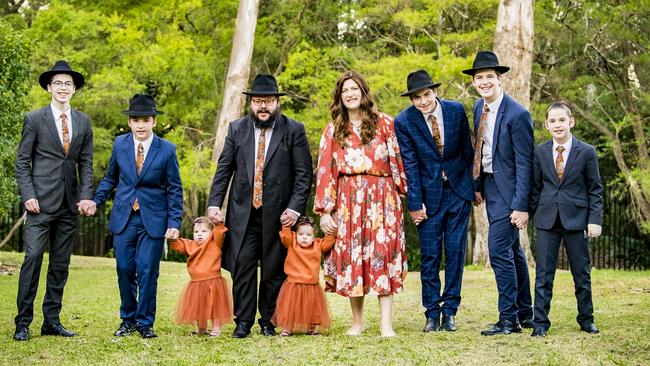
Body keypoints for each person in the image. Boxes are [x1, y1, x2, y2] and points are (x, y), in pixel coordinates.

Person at [207, 74, 312, 338]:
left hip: (279, 215)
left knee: (273, 269)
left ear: (277, 102)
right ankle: (243, 321)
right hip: (243, 213)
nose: (262, 106)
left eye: (268, 101)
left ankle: (268, 320)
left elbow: (303, 174)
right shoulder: (236, 129)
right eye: (257, 101)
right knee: (242, 266)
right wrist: (213, 204)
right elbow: (223, 170)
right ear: (250, 103)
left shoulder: (293, 129)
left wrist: (295, 209)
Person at [314, 70, 407, 337]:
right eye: (345, 91)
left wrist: (401, 196)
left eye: (355, 89)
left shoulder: (385, 123)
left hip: (382, 198)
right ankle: (357, 322)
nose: (350, 94)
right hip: (348, 199)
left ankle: (386, 324)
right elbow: (325, 170)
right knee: (354, 257)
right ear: (339, 97)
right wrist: (325, 210)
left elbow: (397, 160)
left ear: (363, 92)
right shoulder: (333, 130)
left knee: (383, 254)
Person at [90, 93, 183, 339]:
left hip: (152, 220)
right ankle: (127, 320)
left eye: (145, 120)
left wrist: (174, 222)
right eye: (136, 120)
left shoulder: (167, 150)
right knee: (123, 268)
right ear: (129, 122)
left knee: (147, 270)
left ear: (154, 121)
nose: (140, 125)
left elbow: (174, 188)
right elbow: (111, 178)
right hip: (124, 217)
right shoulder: (120, 144)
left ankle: (144, 324)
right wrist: (96, 200)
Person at [13, 60, 94, 341]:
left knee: (60, 264)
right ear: (49, 87)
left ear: (74, 90)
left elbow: (85, 163)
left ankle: (52, 321)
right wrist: (28, 195)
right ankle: (22, 323)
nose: (63, 88)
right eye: (58, 83)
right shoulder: (34, 119)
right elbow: (22, 162)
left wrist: (85, 196)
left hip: (69, 204)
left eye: (68, 84)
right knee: (33, 258)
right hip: (40, 204)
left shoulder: (83, 121)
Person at [394, 70, 474, 332]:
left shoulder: (456, 111)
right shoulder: (404, 121)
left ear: (435, 92)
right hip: (428, 198)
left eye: (426, 94)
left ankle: (450, 311)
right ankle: (431, 312)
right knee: (429, 257)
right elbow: (410, 163)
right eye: (417, 97)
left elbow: (467, 151)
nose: (423, 101)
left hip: (458, 192)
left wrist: (475, 188)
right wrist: (415, 203)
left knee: (454, 254)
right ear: (412, 100)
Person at [462, 51, 534, 335]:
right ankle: (525, 312)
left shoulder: (518, 114)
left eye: (489, 77)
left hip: (511, 191)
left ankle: (508, 320)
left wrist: (521, 205)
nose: (484, 82)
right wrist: (477, 186)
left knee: (498, 250)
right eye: (479, 78)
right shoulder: (479, 108)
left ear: (499, 78)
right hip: (490, 186)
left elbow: (525, 163)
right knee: (513, 250)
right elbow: (481, 150)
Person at [529, 101, 603, 337]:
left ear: (571, 122)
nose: (557, 125)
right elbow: (536, 188)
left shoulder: (587, 151)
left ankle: (586, 318)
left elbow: (595, 189)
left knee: (581, 272)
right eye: (552, 121)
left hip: (577, 219)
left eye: (562, 120)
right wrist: (527, 214)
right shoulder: (540, 152)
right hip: (547, 219)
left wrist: (595, 220)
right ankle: (540, 322)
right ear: (547, 125)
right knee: (543, 274)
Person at [169, 217, 233, 336]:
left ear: (211, 233)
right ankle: (202, 328)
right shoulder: (191, 245)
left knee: (215, 306)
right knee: (199, 306)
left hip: (213, 281)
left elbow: (220, 232)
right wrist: (172, 238)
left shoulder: (215, 242)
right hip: (196, 283)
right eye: (196, 232)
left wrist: (219, 224)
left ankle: (216, 327)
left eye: (204, 231)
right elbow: (178, 245)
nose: (199, 235)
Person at [272, 216, 336, 336]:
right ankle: (287, 328)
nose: (304, 237)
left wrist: (329, 233)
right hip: (293, 284)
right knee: (290, 308)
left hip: (311, 285)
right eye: (301, 234)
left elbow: (328, 243)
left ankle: (311, 328)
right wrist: (286, 225)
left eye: (308, 235)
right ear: (296, 235)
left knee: (312, 308)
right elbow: (285, 236)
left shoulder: (317, 245)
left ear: (314, 236)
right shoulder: (292, 243)